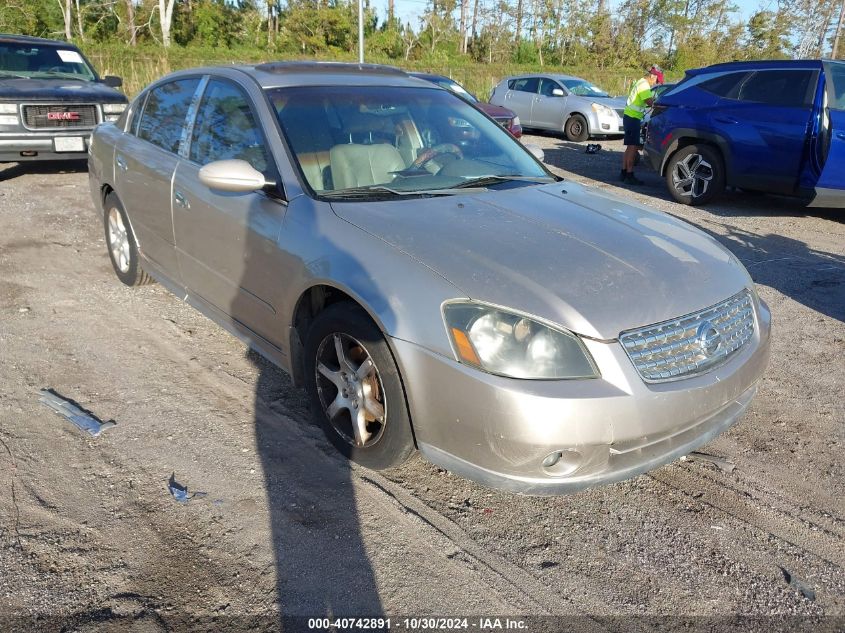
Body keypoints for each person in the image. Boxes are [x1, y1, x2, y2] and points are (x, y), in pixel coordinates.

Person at [620, 65, 663, 185]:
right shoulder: (644, 85)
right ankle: (629, 174)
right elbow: (649, 101)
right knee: (633, 147)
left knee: (629, 146)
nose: (656, 83)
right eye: (656, 80)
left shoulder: (640, 82)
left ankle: (623, 172)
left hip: (630, 117)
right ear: (652, 76)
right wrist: (659, 104)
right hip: (633, 118)